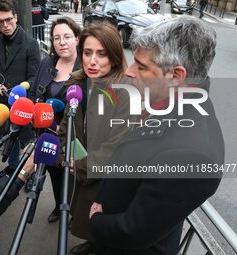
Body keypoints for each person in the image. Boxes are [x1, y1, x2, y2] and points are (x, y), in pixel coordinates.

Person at [88, 16, 224, 255]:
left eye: (141, 67)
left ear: (176, 76)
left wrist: (97, 222)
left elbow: (135, 231)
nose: (129, 71)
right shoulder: (171, 102)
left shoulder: (190, 155)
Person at [58, 21, 130, 254]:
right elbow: (66, 125)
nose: (92, 61)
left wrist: (78, 165)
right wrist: (62, 154)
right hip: (80, 166)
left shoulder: (126, 93)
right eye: (87, 53)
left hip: (105, 177)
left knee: (102, 223)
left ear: (115, 58)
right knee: (85, 217)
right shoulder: (77, 83)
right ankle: (91, 242)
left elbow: (115, 149)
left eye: (101, 54)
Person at [29, 17, 81, 223]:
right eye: (56, 38)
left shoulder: (85, 68)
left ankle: (74, 212)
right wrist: (36, 108)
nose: (62, 42)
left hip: (74, 137)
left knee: (74, 174)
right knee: (55, 174)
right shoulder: (47, 63)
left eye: (67, 36)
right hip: (47, 135)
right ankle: (60, 206)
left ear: (77, 39)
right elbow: (33, 94)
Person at [0, 0, 40, 178]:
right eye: (0, 21)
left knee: (27, 141)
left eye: (8, 20)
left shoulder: (31, 44)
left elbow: (34, 78)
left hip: (23, 104)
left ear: (16, 17)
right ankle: (12, 167)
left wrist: (22, 88)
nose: (5, 25)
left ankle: (31, 173)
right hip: (3, 103)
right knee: (11, 138)